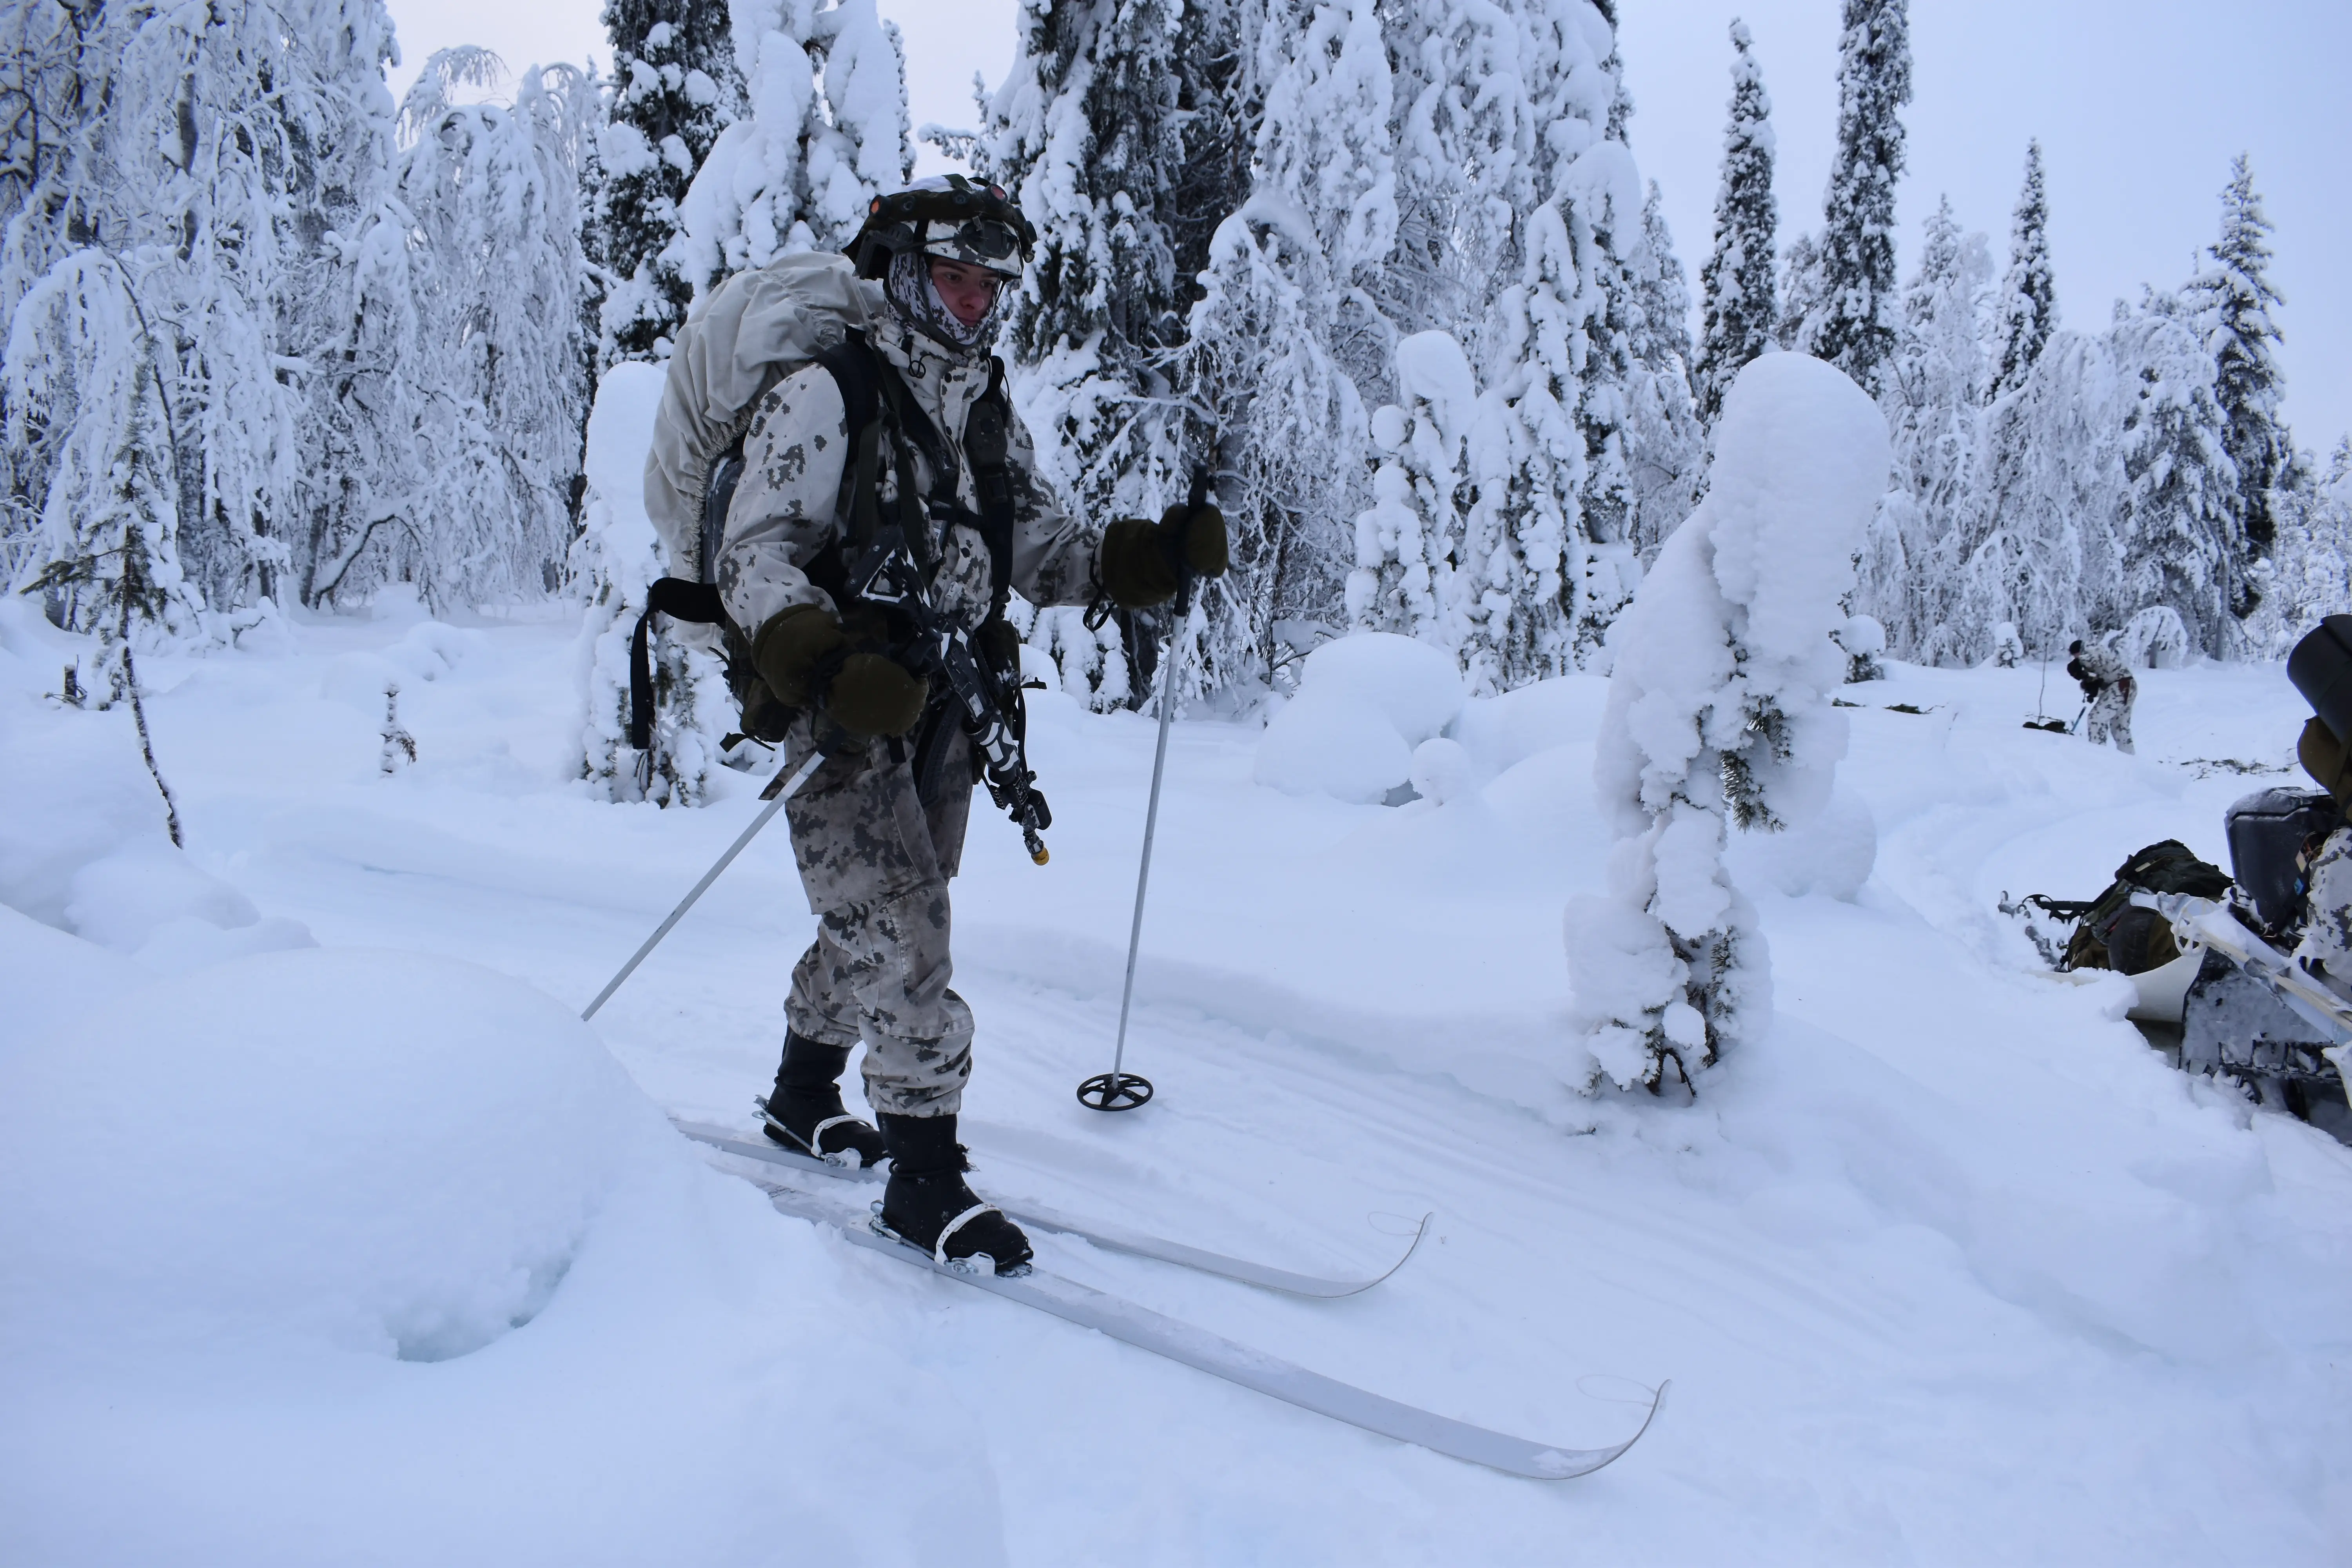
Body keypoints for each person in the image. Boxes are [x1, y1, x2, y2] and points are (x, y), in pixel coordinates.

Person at [718, 176, 1227, 1274]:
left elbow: (1037, 548)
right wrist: (822, 662)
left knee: (877, 915)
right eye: (954, 276)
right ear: (903, 269)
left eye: (990, 283)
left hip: (949, 702)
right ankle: (923, 1177)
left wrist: (1144, 561)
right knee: (901, 927)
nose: (974, 302)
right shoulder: (829, 390)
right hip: (844, 713)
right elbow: (752, 555)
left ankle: (804, 1097)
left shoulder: (983, 403)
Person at [2067, 637, 2135, 754]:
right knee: (2120, 728)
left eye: (2075, 656)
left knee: (2096, 718)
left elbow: (2098, 658)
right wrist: (2092, 687)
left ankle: (2098, 756)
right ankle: (2129, 760)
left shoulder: (2093, 649)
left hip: (2122, 685)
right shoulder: (2095, 656)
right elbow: (2104, 678)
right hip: (2128, 685)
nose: (2075, 658)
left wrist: (2079, 662)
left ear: (2079, 652)